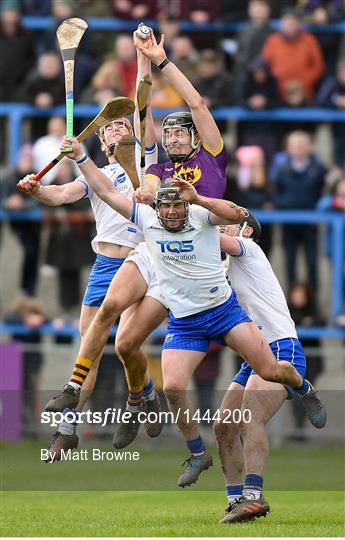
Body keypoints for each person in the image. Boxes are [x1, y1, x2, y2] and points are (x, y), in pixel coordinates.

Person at [50, 133, 319, 489]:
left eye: (179, 207)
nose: (174, 212)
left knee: (264, 382)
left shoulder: (226, 236)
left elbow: (231, 213)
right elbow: (109, 194)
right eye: (168, 207)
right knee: (176, 388)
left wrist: (197, 200)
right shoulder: (165, 226)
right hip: (189, 321)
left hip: (231, 318)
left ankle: (302, 388)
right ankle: (198, 455)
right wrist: (82, 157)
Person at [17, 38, 163, 458]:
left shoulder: (148, 166)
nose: (116, 128)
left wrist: (141, 58)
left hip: (143, 264)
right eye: (108, 128)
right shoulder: (93, 174)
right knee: (92, 351)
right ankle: (70, 429)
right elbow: (61, 196)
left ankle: (139, 401)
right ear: (99, 143)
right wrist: (36, 189)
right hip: (104, 263)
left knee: (127, 344)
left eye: (122, 125)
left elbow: (143, 101)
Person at [213, 211, 327, 524]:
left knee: (250, 417)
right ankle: (236, 499)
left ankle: (253, 496)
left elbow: (205, 237)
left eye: (228, 219)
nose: (219, 222)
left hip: (280, 347)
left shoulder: (250, 250)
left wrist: (181, 218)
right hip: (253, 356)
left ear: (246, 230)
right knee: (223, 426)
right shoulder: (224, 267)